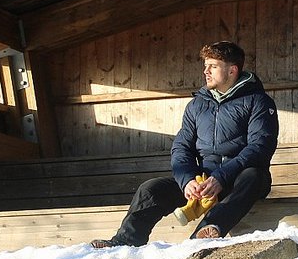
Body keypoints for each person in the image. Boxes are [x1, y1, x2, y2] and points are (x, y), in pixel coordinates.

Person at [91, 41, 278, 247]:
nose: (206, 71)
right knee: (150, 189)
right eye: (205, 66)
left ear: (232, 70)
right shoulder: (196, 105)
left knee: (253, 176)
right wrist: (187, 180)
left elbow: (260, 146)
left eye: (213, 66)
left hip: (241, 180)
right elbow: (182, 147)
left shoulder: (258, 102)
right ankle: (124, 241)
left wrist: (222, 177)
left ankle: (205, 232)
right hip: (203, 181)